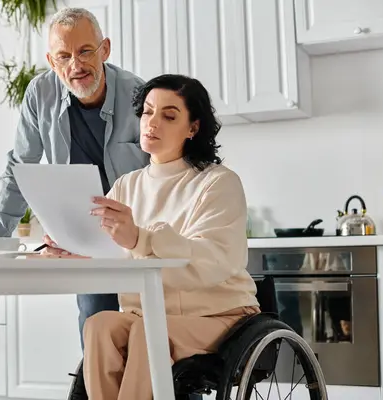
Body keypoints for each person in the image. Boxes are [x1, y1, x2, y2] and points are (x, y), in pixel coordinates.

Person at [40, 74, 260, 400]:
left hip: (218, 315)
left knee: (148, 333)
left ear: (193, 128)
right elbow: (112, 255)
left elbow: (215, 261)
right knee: (99, 325)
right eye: (146, 112)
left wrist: (140, 239)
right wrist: (74, 252)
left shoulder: (218, 183)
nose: (152, 122)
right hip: (147, 314)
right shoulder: (127, 186)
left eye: (169, 116)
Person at [0, 7, 149, 349]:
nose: (76, 65)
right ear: (51, 60)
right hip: (85, 239)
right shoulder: (40, 94)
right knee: (96, 336)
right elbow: (19, 168)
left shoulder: (140, 96)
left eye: (85, 51)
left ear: (105, 49)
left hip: (139, 235)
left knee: (153, 335)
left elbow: (164, 173)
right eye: (64, 56)